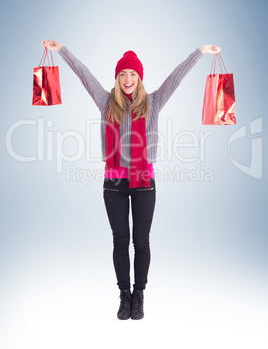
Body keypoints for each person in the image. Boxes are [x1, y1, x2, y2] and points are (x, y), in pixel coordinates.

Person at [42, 39, 221, 320]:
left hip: (143, 180)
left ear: (139, 78)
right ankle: (124, 295)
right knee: (119, 241)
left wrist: (199, 53)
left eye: (133, 74)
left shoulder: (154, 102)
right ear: (117, 78)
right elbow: (83, 74)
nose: (127, 79)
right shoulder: (105, 102)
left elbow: (177, 75)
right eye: (123, 74)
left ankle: (140, 294)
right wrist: (61, 50)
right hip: (114, 181)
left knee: (142, 241)